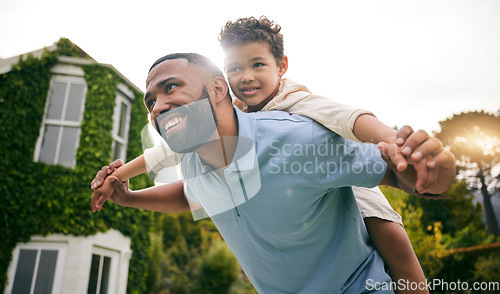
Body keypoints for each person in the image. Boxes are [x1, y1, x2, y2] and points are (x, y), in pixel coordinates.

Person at [91, 17, 438, 293]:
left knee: (387, 232)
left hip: (338, 173)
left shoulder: (300, 109)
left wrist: (395, 143)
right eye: (235, 69)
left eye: (257, 64)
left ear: (281, 66)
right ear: (222, 81)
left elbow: (349, 119)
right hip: (289, 191)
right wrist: (123, 182)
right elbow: (177, 174)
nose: (246, 77)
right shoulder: (215, 125)